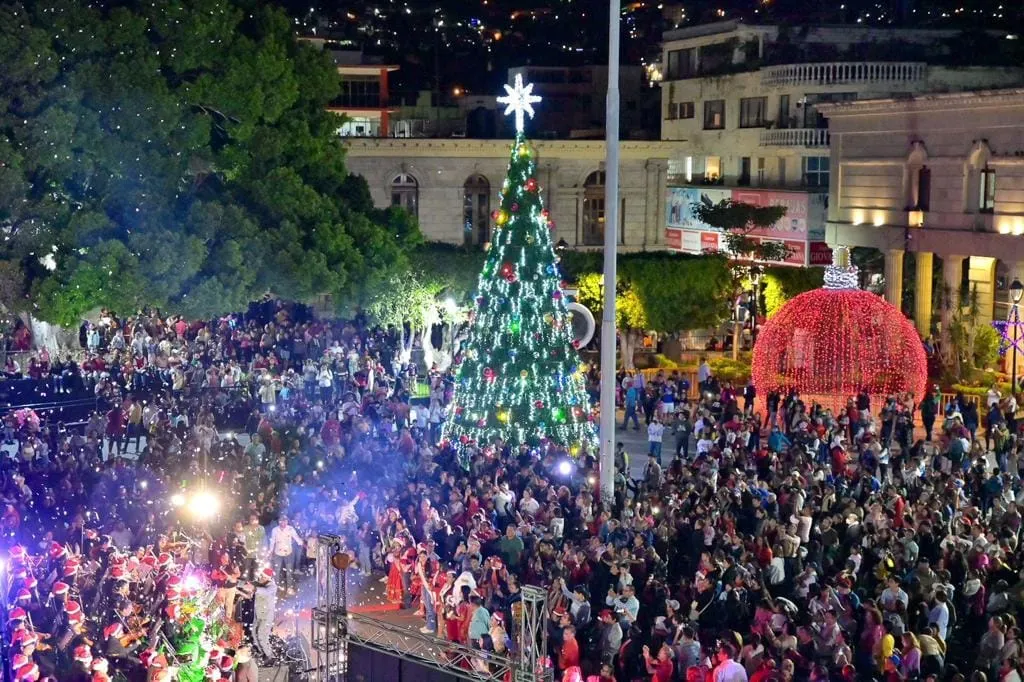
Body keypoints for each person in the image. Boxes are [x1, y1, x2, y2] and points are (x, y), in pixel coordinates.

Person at [267, 515, 303, 595]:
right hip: (277, 553)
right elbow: (272, 542)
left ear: (287, 521)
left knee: (289, 572)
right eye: (281, 520)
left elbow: (296, 537)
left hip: (288, 553)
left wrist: (300, 542)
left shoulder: (290, 529)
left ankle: (289, 588)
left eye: (285, 520)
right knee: (276, 571)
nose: (283, 522)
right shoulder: (275, 530)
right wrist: (270, 552)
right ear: (279, 521)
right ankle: (275, 588)